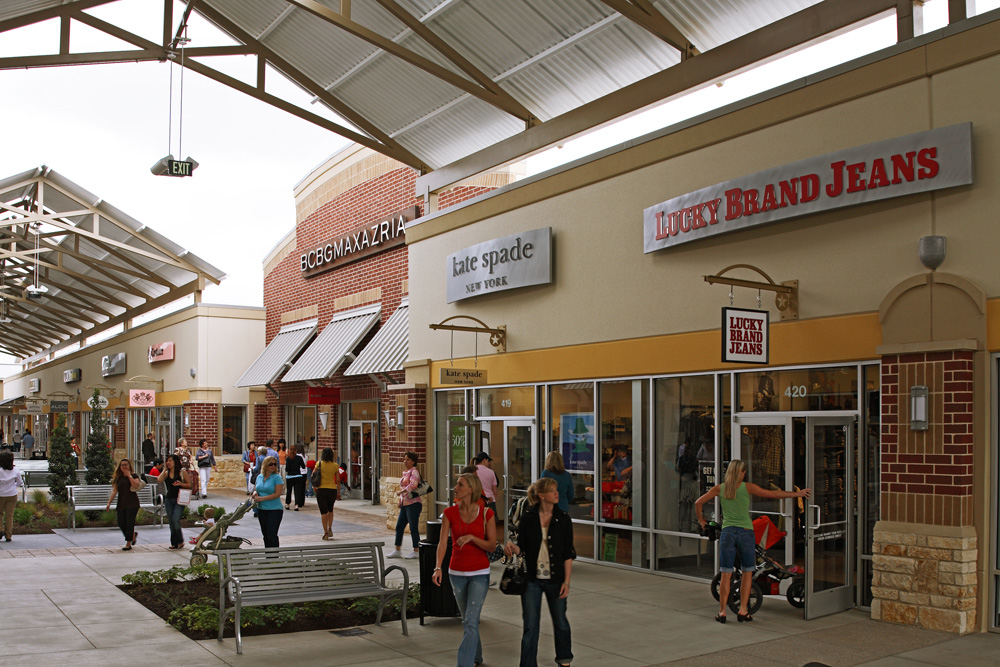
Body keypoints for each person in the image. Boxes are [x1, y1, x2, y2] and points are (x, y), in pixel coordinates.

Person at [696, 459, 811, 623]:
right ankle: (743, 610)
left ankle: (722, 612)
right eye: (743, 472)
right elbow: (774, 494)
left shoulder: (720, 488)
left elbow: (698, 503)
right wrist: (797, 494)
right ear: (741, 472)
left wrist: (702, 521)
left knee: (726, 574)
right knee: (747, 573)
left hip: (728, 533)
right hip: (746, 533)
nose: (744, 474)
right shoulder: (747, 487)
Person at [505, 477, 576, 667]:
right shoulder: (528, 518)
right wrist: (513, 547)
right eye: (553, 490)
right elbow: (524, 548)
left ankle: (564, 660)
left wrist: (567, 582)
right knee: (530, 626)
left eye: (557, 490)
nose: (557, 493)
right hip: (531, 581)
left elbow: (568, 553)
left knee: (561, 622)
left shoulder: (563, 519)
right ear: (541, 495)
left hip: (556, 579)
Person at [432, 473, 496, 667]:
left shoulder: (487, 514)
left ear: (471, 489)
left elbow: (492, 545)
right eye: (456, 484)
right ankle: (476, 657)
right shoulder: (450, 513)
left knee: (470, 620)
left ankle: (464, 664)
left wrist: (472, 538)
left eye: (460, 484)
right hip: (456, 573)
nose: (455, 487)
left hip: (479, 573)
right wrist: (437, 567)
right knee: (468, 620)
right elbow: (442, 543)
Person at [388, 451, 422, 559]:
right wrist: (400, 500)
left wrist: (402, 492)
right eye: (404, 459)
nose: (405, 461)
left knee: (413, 527)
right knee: (399, 526)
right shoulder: (406, 473)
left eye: (408, 459)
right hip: (405, 504)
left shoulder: (414, 472)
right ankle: (397, 550)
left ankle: (416, 550)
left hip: (413, 503)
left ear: (413, 461)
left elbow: (414, 484)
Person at [106, 458, 142, 551]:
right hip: (121, 503)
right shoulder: (118, 478)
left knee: (129, 523)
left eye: (126, 464)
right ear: (120, 467)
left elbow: (136, 485)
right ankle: (132, 535)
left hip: (132, 503)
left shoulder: (134, 475)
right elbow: (115, 490)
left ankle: (128, 543)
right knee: (121, 522)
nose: (124, 466)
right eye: (122, 465)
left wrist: (129, 476)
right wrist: (109, 503)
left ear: (129, 466)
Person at [157, 454, 190, 550]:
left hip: (180, 499)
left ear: (175, 462)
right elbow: (159, 479)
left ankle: (180, 540)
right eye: (167, 461)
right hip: (169, 499)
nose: (168, 463)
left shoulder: (182, 473)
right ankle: (174, 542)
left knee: (175, 519)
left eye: (170, 461)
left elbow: (190, 485)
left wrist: (181, 484)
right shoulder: (167, 473)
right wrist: (164, 469)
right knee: (171, 522)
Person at [252, 455, 284, 548]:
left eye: (274, 464)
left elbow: (277, 494)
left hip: (274, 509)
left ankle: (274, 557)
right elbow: (256, 488)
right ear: (265, 465)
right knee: (265, 535)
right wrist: (254, 493)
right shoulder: (259, 477)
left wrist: (262, 498)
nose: (273, 466)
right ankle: (268, 556)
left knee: (272, 534)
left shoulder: (276, 477)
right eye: (270, 464)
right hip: (262, 509)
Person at [314, 447, 340, 540]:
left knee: (323, 512)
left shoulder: (319, 464)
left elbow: (313, 475)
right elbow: (338, 479)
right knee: (330, 510)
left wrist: (314, 487)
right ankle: (330, 528)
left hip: (321, 489)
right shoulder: (335, 466)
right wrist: (339, 492)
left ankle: (325, 532)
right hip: (332, 489)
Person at [0, 450, 23, 542]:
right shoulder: (15, 470)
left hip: (0, 494)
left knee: (0, 513)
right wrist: (13, 486)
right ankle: (8, 535)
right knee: (10, 515)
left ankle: (0, 530)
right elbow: (20, 483)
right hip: (12, 494)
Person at [474, 451, 500, 522]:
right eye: (488, 461)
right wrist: (495, 499)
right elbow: (494, 490)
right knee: (490, 522)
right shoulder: (491, 472)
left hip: (476, 500)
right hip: (490, 500)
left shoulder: (472, 471)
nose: (489, 463)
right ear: (484, 460)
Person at [284, 444, 307, 510]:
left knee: (289, 491)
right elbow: (303, 466)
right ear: (296, 450)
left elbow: (287, 469)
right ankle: (296, 505)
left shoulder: (288, 459)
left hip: (290, 477)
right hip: (298, 476)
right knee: (297, 491)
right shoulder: (299, 458)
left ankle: (288, 504)